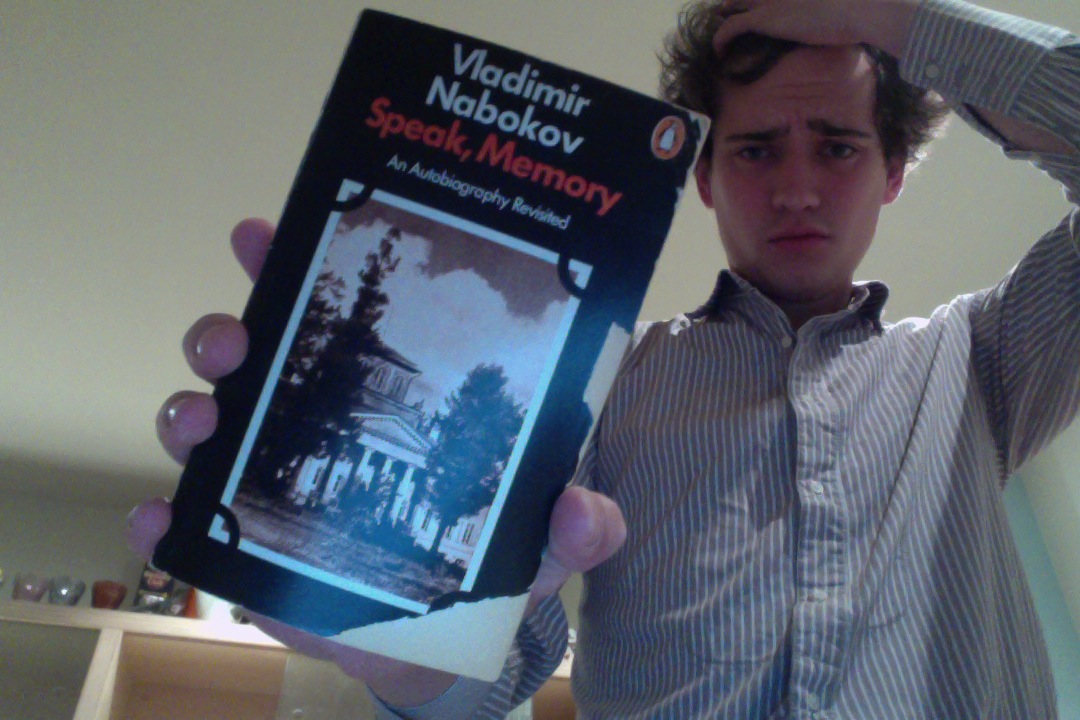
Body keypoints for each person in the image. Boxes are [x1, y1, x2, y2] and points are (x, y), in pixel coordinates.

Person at [129, 0, 1080, 717]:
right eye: (755, 151)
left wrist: (887, 18)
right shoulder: (601, 378)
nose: (796, 188)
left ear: (894, 172)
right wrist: (411, 665)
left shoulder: (983, 358)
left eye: (837, 148)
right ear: (702, 178)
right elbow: (505, 657)